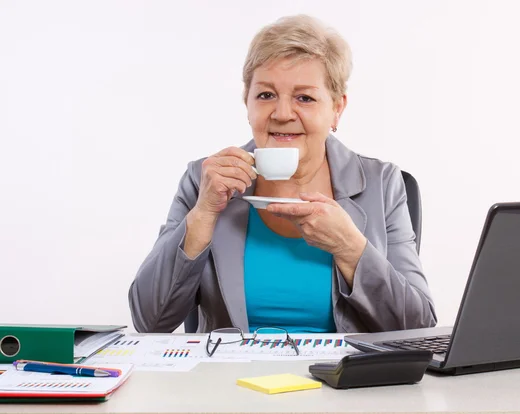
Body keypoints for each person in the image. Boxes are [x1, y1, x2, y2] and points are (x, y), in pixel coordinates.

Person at [128, 14, 437, 334]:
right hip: (227, 381)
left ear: (336, 108)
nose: (283, 113)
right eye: (265, 95)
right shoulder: (204, 180)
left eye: (304, 97)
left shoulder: (383, 184)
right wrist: (204, 212)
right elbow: (150, 321)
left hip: (340, 380)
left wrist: (349, 247)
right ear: (247, 103)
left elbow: (417, 326)